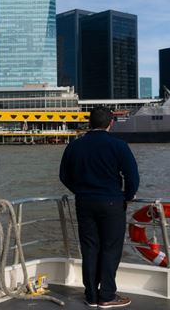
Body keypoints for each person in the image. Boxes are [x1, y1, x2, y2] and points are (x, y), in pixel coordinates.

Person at [59, 106, 139, 308]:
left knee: (90, 248)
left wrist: (81, 190)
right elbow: (132, 177)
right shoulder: (118, 145)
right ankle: (107, 295)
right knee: (111, 248)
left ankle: (91, 295)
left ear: (89, 123)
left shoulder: (74, 146)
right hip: (112, 202)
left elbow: (64, 176)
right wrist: (126, 197)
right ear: (110, 123)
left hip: (84, 202)